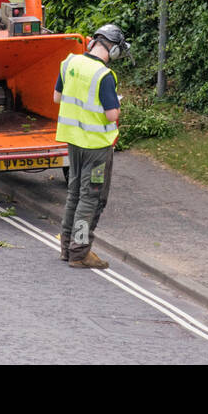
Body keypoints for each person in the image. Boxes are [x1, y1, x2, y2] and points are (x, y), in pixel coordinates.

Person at [54, 23, 130, 270]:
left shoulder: (69, 63)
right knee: (92, 199)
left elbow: (57, 98)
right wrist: (117, 105)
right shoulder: (104, 75)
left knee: (74, 194)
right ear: (114, 50)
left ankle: (67, 247)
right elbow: (111, 115)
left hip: (73, 143)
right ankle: (80, 252)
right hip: (97, 149)